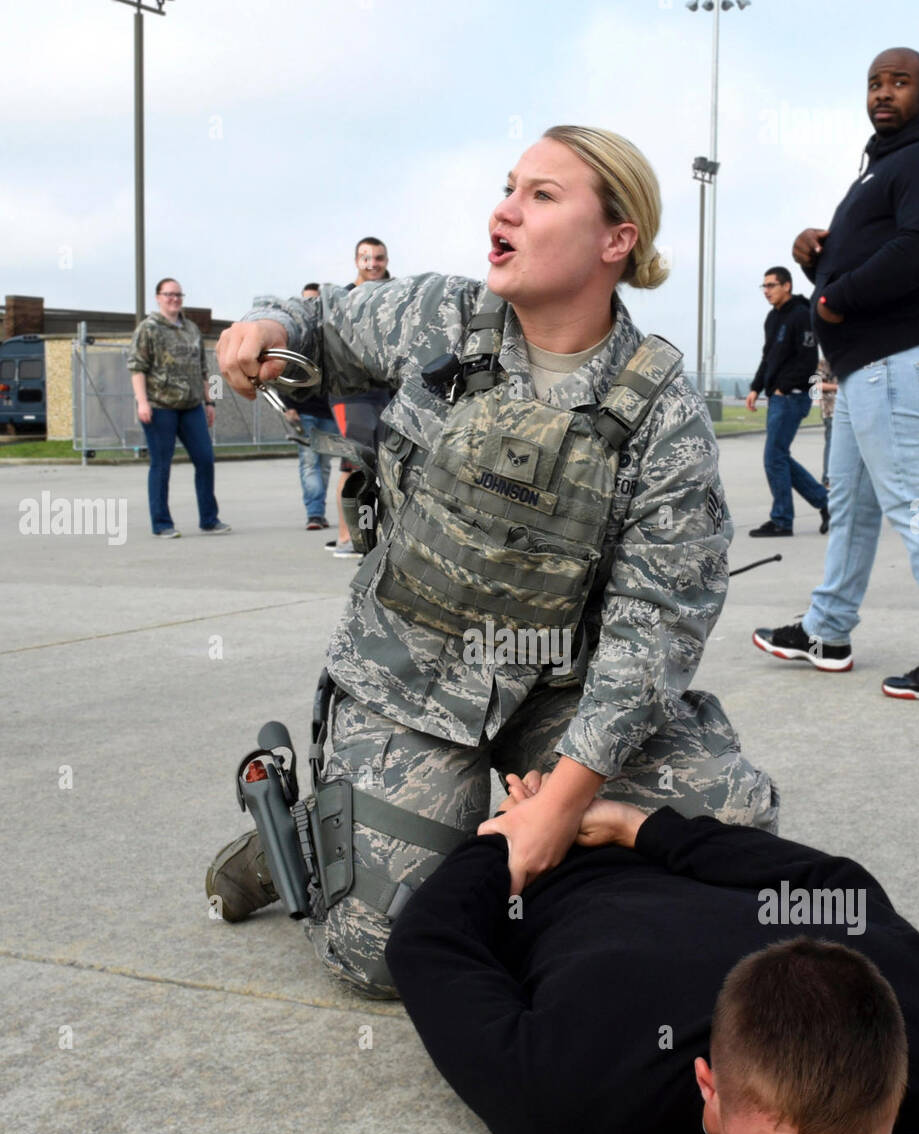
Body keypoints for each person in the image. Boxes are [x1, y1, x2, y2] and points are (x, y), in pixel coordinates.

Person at [209, 126, 778, 997]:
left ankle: (500, 844)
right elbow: (316, 323)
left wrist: (559, 802)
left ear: (615, 240)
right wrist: (268, 323)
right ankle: (307, 829)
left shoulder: (661, 408)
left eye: (542, 196)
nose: (503, 210)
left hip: (561, 698)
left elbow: (656, 626)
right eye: (509, 187)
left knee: (730, 819)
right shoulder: (443, 315)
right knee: (385, 955)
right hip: (411, 680)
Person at [385, 773, 919, 1134]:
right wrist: (519, 840)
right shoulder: (566, 1098)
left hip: (605, 841)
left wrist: (567, 830)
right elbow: (423, 942)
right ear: (708, 1087)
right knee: (359, 948)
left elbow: (835, 884)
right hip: (550, 881)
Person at [752, 48, 919, 701]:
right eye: (874, 83)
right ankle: (825, 632)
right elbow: (863, 258)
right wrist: (816, 256)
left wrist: (834, 300)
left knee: (915, 502)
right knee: (853, 508)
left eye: (899, 82)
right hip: (866, 364)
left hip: (896, 356)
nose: (883, 93)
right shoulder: (882, 167)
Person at [128, 278, 231, 538]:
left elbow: (204, 369)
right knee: (161, 466)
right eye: (168, 294)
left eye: (178, 294)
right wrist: (142, 402)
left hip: (192, 406)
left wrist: (209, 402)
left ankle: (209, 518)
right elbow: (137, 367)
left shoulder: (191, 329)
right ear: (158, 297)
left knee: (205, 459)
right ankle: (162, 523)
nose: (174, 299)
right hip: (160, 407)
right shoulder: (148, 328)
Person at [323, 238, 394, 557]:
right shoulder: (344, 298)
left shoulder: (397, 294)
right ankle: (346, 538)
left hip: (388, 390)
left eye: (378, 258)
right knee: (354, 467)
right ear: (356, 261)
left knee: (387, 467)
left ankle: (377, 535)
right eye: (366, 258)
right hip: (351, 394)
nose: (372, 263)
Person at [745, 267, 828, 538]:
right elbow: (767, 357)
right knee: (779, 457)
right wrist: (756, 388)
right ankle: (827, 504)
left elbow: (807, 361)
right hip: (777, 397)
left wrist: (783, 388)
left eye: (772, 285)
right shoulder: (772, 318)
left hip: (792, 397)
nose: (767, 290)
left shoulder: (802, 315)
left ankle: (782, 520)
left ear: (787, 286)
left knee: (774, 457)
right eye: (764, 286)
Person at [281, 283, 337, 529]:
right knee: (309, 461)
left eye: (315, 301)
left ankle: (319, 511)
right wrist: (287, 406)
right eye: (306, 301)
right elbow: (282, 372)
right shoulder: (297, 336)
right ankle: (314, 513)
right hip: (303, 410)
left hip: (329, 411)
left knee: (324, 464)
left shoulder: (332, 335)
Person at [814, 356, 838, 487]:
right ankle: (827, 478)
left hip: (846, 410)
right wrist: (838, 387)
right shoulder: (824, 363)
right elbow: (817, 385)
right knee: (832, 443)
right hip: (830, 410)